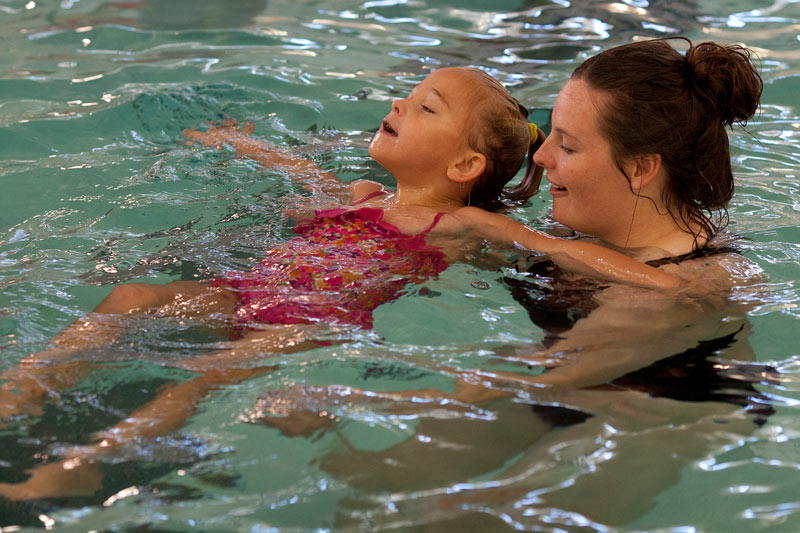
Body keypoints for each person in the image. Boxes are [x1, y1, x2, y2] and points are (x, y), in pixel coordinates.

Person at [0, 66, 679, 501]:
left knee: (206, 375)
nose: (398, 104)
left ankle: (93, 460)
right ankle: (21, 390)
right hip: (247, 289)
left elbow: (540, 243)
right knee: (132, 300)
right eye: (408, 97)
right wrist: (245, 145)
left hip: (311, 322)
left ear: (466, 161)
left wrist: (662, 279)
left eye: (425, 108)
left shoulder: (456, 222)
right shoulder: (359, 192)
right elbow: (308, 182)